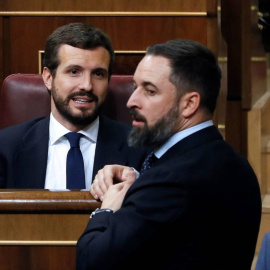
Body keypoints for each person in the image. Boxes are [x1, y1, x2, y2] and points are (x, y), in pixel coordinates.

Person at [76, 39, 262, 269]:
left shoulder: (172, 180)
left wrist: (106, 209)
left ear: (189, 104)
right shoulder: (234, 163)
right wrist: (137, 178)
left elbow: (91, 260)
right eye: (135, 87)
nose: (132, 101)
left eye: (150, 91)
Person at [0, 22, 147, 189]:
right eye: (74, 72)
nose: (87, 85)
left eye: (98, 74)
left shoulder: (140, 149)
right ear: (48, 78)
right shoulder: (6, 147)